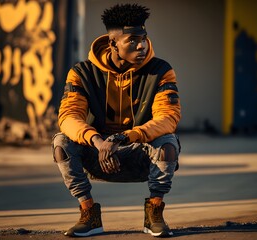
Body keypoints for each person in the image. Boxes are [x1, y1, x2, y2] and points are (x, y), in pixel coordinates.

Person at [52, 3, 181, 238]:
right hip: (98, 155)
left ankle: (154, 213)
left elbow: (168, 117)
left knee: (168, 142)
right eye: (132, 40)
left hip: (138, 152)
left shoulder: (161, 70)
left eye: (143, 38)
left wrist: (123, 137)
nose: (141, 45)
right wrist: (99, 141)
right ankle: (88, 214)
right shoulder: (82, 73)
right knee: (61, 143)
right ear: (113, 43)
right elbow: (68, 117)